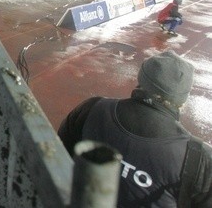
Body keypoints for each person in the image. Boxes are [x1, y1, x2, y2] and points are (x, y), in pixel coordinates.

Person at [58, 51, 212, 207]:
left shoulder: (92, 108)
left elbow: (58, 153)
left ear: (141, 80)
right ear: (182, 101)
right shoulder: (199, 159)